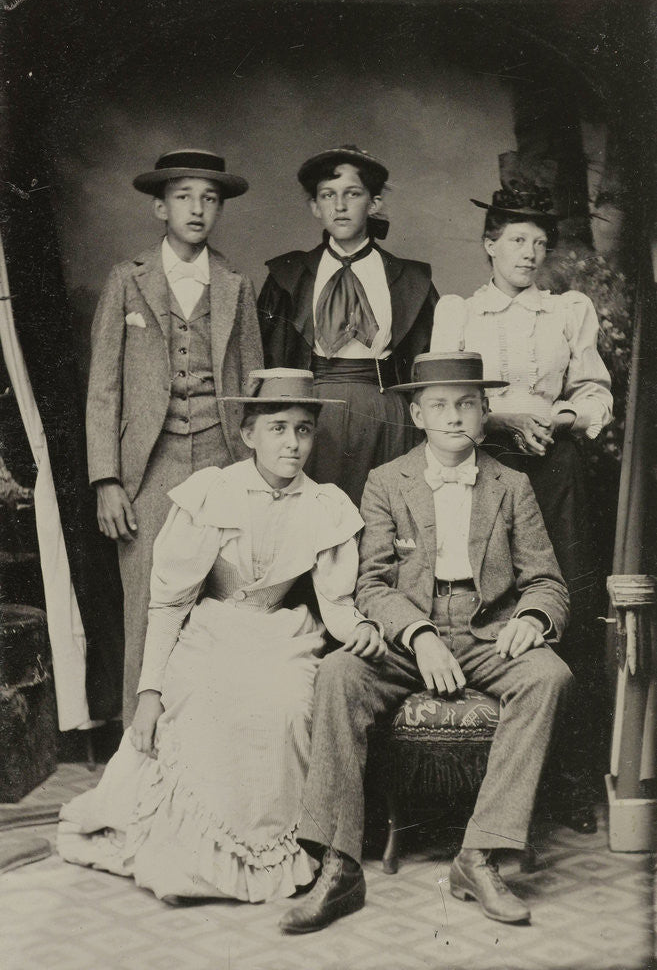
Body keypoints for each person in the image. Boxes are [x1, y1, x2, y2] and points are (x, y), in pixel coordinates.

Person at [58, 368, 387, 904]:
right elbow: (169, 603)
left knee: (289, 705)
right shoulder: (214, 492)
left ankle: (274, 851)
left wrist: (364, 628)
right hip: (214, 628)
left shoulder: (324, 504)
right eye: (278, 428)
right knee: (207, 702)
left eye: (303, 430)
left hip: (281, 633)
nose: (292, 443)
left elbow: (337, 606)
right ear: (248, 434)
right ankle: (194, 863)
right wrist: (149, 693)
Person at [280, 351, 572, 933]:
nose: (454, 417)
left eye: (467, 404)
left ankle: (478, 856)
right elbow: (371, 583)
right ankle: (339, 866)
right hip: (409, 629)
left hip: (488, 631)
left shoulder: (512, 485)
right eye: (438, 405)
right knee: (338, 674)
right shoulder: (387, 481)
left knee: (549, 676)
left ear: (485, 413)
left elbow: (547, 581)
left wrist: (532, 618)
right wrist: (418, 635)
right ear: (417, 415)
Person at [430, 162, 613, 831]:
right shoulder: (459, 311)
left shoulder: (567, 310)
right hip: (485, 466)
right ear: (489, 243)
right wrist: (504, 419)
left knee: (567, 604)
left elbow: (594, 393)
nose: (529, 253)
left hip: (556, 469)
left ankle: (569, 782)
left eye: (538, 242)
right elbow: (443, 395)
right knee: (492, 602)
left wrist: (557, 417)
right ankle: (482, 782)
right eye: (515, 240)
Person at [86, 149, 263, 723]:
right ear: (160, 207)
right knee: (146, 606)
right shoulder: (126, 278)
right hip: (148, 466)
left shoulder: (237, 284)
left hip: (222, 457)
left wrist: (254, 473)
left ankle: (212, 751)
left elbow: (253, 384)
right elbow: (104, 388)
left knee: (223, 605)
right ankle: (140, 757)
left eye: (210, 199)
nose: (197, 209)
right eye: (184, 196)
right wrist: (107, 479)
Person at [258, 144, 437, 506]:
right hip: (313, 416)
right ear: (315, 206)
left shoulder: (409, 279)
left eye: (352, 194)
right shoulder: (289, 276)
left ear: (374, 203)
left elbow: (428, 364)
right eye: (328, 195)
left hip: (385, 414)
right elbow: (269, 361)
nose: (339, 206)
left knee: (384, 515)